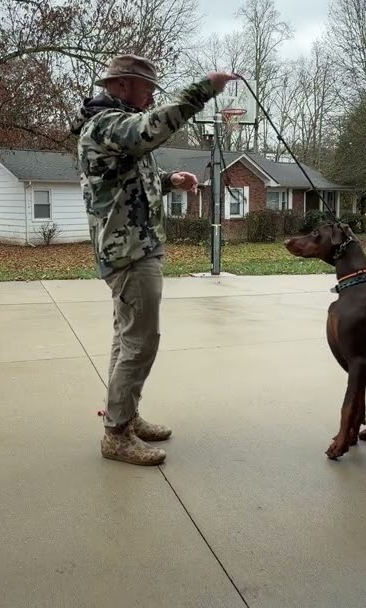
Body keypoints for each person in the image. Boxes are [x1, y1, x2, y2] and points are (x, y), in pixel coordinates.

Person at [73, 54, 238, 466]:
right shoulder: (108, 123)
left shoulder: (116, 125)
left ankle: (124, 417)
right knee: (140, 342)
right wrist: (204, 89)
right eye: (147, 88)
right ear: (123, 84)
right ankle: (116, 434)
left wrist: (169, 181)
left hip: (134, 246)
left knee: (127, 338)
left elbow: (123, 184)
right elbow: (149, 130)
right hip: (129, 252)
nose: (151, 97)